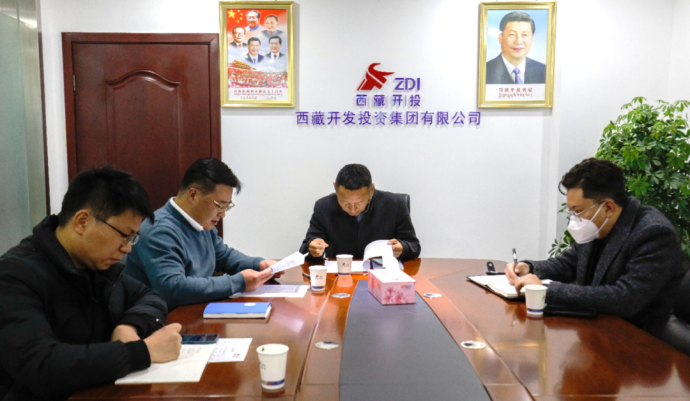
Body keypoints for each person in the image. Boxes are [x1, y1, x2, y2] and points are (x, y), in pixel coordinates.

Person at [0, 167, 182, 400]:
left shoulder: (96, 265)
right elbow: (41, 365)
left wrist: (129, 326)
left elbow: (149, 297)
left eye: (133, 238)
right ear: (82, 221)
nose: (127, 248)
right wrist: (142, 352)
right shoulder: (14, 276)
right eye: (124, 235)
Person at [505, 158, 688, 336]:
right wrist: (529, 268)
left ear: (608, 207)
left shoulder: (653, 233)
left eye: (578, 212)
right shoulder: (598, 225)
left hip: (637, 341)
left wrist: (546, 290)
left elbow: (625, 298)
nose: (574, 220)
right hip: (596, 330)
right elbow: (568, 264)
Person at [125, 158, 277, 310]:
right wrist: (238, 282)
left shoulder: (202, 224)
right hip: (162, 317)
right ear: (193, 195)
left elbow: (223, 256)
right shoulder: (159, 231)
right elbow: (173, 288)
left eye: (227, 206)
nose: (223, 214)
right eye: (219, 205)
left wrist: (258, 264)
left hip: (195, 309)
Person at [299, 164, 421, 261]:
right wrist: (313, 248)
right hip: (340, 273)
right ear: (335, 188)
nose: (352, 210)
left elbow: (414, 246)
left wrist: (403, 248)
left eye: (359, 203)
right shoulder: (323, 207)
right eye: (346, 203)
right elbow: (305, 249)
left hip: (382, 273)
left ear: (371, 190)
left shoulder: (395, 204)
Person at [486, 11, 546, 84]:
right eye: (512, 34)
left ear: (532, 39)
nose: (518, 41)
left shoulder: (543, 71)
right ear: (500, 38)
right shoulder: (485, 71)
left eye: (524, 35)